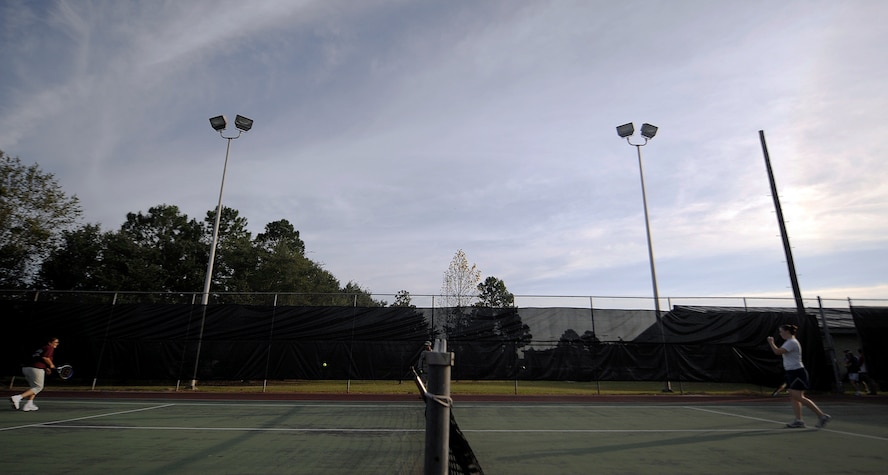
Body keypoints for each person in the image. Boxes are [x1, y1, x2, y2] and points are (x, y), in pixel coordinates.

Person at [767, 325, 830, 429]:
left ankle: (822, 416)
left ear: (787, 331)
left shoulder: (792, 342)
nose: (780, 334)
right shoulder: (788, 342)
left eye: (781, 331)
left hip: (797, 372)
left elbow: (777, 351)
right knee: (793, 396)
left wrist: (771, 342)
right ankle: (799, 420)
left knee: (798, 396)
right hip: (791, 372)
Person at [10, 337, 59, 412]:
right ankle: (18, 397)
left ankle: (29, 404)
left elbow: (38, 359)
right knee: (38, 387)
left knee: (33, 388)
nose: (57, 344)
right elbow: (45, 358)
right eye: (55, 342)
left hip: (26, 368)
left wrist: (46, 368)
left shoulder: (41, 348)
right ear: (50, 342)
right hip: (36, 369)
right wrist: (51, 365)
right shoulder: (50, 347)